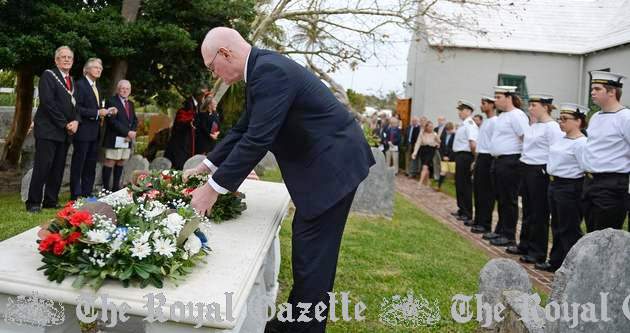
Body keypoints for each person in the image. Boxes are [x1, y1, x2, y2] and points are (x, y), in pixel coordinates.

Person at [182, 27, 375, 333]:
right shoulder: (261, 69)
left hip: (332, 168)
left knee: (313, 255)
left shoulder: (269, 71)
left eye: (211, 66)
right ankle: (292, 323)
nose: (214, 74)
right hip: (326, 165)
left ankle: (303, 328)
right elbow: (243, 130)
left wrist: (212, 190)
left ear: (225, 54)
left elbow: (258, 139)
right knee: (309, 249)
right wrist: (205, 167)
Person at [507, 95, 563, 265]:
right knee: (528, 211)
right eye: (529, 105)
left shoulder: (552, 127)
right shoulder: (533, 125)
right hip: (526, 168)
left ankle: (537, 251)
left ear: (545, 107)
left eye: (534, 105)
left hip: (540, 171)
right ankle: (524, 244)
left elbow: (556, 150)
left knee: (539, 213)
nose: (530, 108)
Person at [535, 103, 588, 272]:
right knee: (557, 226)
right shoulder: (562, 139)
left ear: (578, 121)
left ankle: (572, 267)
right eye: (560, 119)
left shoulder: (581, 143)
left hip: (570, 187)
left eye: (565, 119)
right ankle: (556, 261)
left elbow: (585, 168)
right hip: (555, 184)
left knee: (569, 228)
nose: (561, 122)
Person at [26, 46, 80, 212]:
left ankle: (51, 200)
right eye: (63, 57)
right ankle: (33, 202)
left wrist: (76, 121)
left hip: (64, 133)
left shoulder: (72, 81)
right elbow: (49, 103)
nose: (66, 60)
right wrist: (65, 123)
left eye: (69, 57)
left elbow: (77, 107)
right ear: (56, 60)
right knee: (43, 167)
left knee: (57, 168)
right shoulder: (48, 76)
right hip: (48, 130)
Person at [580, 71, 630, 231]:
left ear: (612, 92)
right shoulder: (596, 116)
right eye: (592, 88)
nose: (592, 92)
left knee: (605, 236)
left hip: (611, 184)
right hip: (590, 182)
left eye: (597, 89)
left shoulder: (625, 118)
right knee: (591, 233)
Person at [486, 86, 530, 247]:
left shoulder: (517, 115)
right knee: (500, 198)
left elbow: (526, 138)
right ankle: (500, 230)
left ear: (508, 97)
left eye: (498, 97)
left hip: (511, 161)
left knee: (509, 199)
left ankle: (509, 234)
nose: (495, 101)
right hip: (498, 161)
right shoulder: (503, 116)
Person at [70, 58, 111, 200]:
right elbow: (77, 108)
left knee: (91, 164)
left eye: (100, 67)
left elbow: (95, 108)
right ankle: (75, 193)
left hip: (95, 131)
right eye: (95, 67)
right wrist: (97, 113)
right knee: (79, 163)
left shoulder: (97, 87)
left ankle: (87, 192)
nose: (99, 69)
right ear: (86, 70)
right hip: (82, 131)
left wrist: (103, 111)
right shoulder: (80, 85)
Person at [102, 80, 137, 192]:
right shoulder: (111, 101)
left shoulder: (131, 104)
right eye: (122, 88)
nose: (125, 90)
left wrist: (132, 132)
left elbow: (134, 120)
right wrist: (127, 132)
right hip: (114, 137)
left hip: (127, 139)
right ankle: (105, 189)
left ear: (130, 91)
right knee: (111, 161)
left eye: (127, 89)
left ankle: (115, 188)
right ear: (118, 89)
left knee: (121, 161)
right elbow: (112, 121)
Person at [471, 95, 497, 234]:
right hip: (481, 156)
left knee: (487, 192)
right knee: (479, 191)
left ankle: (485, 223)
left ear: (492, 105)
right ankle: (478, 220)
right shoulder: (486, 122)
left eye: (484, 103)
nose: (481, 105)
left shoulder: (495, 121)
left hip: (489, 157)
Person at [451, 100, 479, 225]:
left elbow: (473, 143)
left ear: (468, 111)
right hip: (460, 156)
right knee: (459, 183)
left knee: (465, 185)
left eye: (461, 110)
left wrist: (474, 159)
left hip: (466, 156)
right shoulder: (463, 124)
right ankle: (461, 209)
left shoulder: (470, 124)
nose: (459, 112)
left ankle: (467, 213)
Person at [165, 91, 203, 170]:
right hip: (181, 142)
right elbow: (181, 123)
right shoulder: (184, 110)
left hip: (188, 142)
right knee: (179, 162)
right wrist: (190, 122)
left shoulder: (197, 107)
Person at [412, 120, 440, 186]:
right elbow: (418, 143)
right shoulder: (422, 133)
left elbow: (439, 143)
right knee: (425, 167)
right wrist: (414, 153)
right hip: (423, 150)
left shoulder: (435, 134)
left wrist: (437, 138)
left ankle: (420, 183)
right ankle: (428, 182)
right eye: (430, 126)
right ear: (426, 127)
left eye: (432, 126)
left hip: (431, 150)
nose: (431, 128)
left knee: (425, 166)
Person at [437, 122, 456, 190]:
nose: (448, 131)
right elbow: (441, 147)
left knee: (454, 172)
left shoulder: (455, 136)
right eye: (447, 130)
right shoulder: (443, 136)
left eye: (450, 130)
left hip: (452, 157)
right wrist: (443, 156)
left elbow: (454, 148)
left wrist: (449, 157)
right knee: (443, 171)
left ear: (452, 129)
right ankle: (438, 186)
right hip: (444, 156)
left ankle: (457, 186)